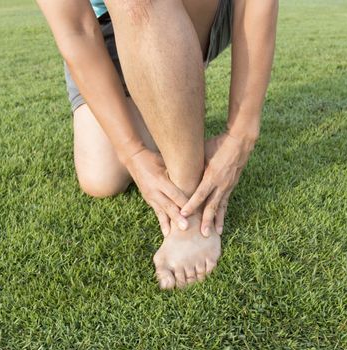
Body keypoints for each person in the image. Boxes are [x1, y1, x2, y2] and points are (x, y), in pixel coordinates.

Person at [36, 0, 278, 289]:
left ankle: (188, 213)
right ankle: (167, 78)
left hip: (196, 8)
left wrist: (240, 135)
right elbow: (76, 28)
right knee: (102, 177)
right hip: (108, 25)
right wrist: (132, 153)